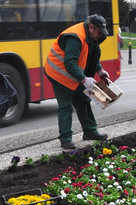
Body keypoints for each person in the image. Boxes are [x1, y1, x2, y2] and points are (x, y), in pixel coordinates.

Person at [43, 14, 111, 150]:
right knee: (66, 106)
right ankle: (66, 139)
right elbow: (70, 63)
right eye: (99, 32)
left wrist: (100, 70)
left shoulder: (91, 36)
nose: (100, 36)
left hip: (74, 73)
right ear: (91, 27)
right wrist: (84, 79)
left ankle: (90, 131)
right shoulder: (75, 37)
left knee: (83, 100)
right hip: (58, 74)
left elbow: (91, 54)